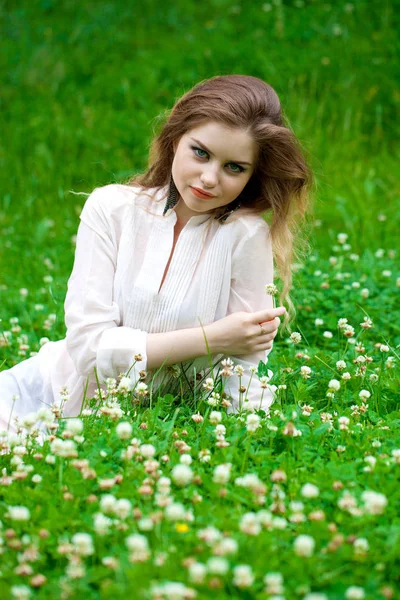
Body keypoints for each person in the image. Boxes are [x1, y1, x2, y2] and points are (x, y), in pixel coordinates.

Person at [0, 74, 312, 433]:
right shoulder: (110, 208)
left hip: (169, 424)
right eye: (201, 152)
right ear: (175, 138)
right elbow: (87, 349)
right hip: (51, 396)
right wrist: (214, 338)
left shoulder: (246, 235)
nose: (210, 178)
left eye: (234, 167)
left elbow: (242, 369)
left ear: (252, 175)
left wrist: (262, 438)